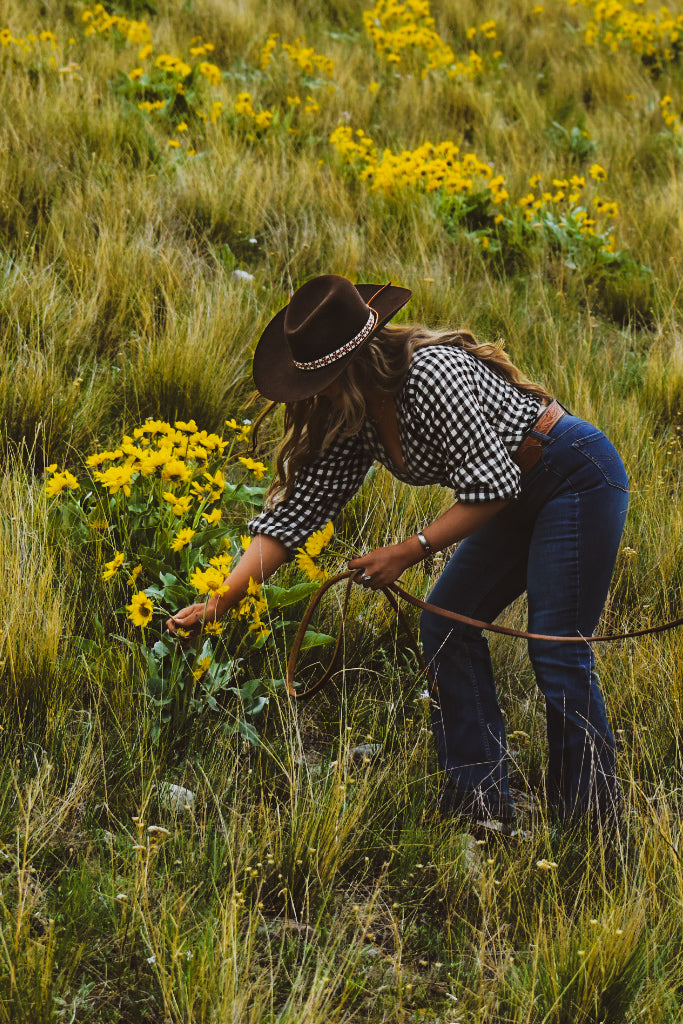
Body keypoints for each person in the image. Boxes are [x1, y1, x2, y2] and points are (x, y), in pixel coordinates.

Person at [168, 274, 629, 833]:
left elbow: (495, 485)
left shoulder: (432, 376)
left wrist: (407, 552)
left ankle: (593, 825)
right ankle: (482, 805)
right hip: (509, 492)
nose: (309, 396)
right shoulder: (354, 416)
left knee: (556, 647)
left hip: (571, 476)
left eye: (315, 380)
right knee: (445, 625)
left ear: (350, 366)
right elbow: (297, 514)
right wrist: (222, 600)